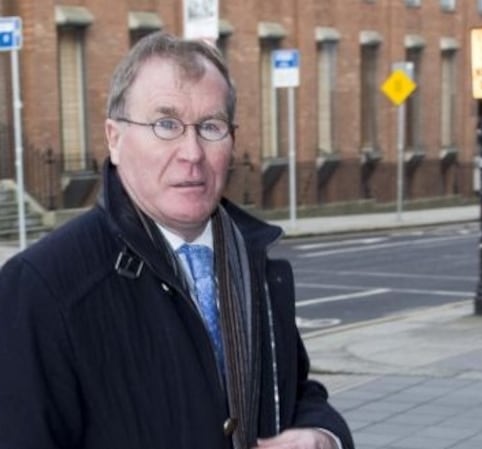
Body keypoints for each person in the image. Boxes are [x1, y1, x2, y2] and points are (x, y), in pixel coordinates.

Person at [0, 32, 353, 449]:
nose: (192, 152)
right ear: (114, 138)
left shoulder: (254, 263)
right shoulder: (42, 286)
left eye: (211, 126)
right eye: (165, 124)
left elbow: (293, 392)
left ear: (232, 142)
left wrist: (322, 436)